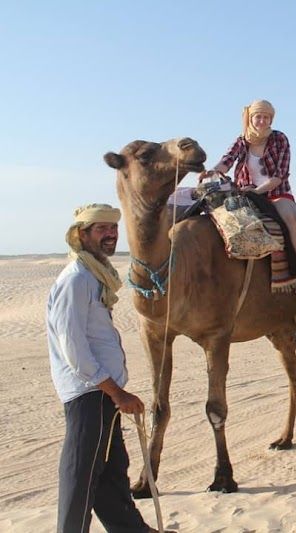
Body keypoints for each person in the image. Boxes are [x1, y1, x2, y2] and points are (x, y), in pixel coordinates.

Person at [46, 204, 166, 533]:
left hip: (102, 395)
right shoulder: (76, 280)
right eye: (101, 229)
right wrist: (116, 392)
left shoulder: (93, 276)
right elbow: (74, 348)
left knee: (111, 476)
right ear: (82, 235)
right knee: (80, 476)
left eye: (113, 229)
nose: (110, 234)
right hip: (90, 394)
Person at [208, 99, 296, 295]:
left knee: (291, 218)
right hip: (246, 193)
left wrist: (257, 191)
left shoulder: (279, 139)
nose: (262, 121)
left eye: (266, 117)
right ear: (251, 118)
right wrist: (212, 171)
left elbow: (279, 175)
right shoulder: (242, 141)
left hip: (275, 193)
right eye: (258, 117)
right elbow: (227, 161)